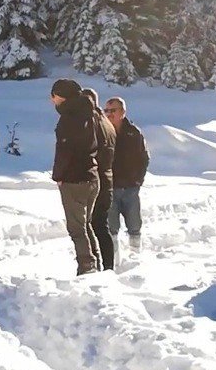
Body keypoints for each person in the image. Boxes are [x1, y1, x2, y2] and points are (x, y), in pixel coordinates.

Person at [50, 78, 100, 276]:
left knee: (77, 228)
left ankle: (87, 266)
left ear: (61, 97)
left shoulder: (69, 118)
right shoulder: (90, 113)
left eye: (53, 96)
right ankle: (96, 261)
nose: (52, 101)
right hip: (92, 174)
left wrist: (58, 176)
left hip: (74, 178)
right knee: (86, 224)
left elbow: (64, 150)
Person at [103, 96, 150, 256]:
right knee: (111, 228)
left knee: (134, 226)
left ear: (123, 112)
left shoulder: (133, 133)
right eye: (106, 111)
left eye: (113, 110)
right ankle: (114, 261)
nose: (109, 114)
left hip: (130, 187)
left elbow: (144, 158)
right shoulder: (102, 132)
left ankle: (135, 257)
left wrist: (138, 180)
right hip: (110, 188)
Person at [83, 88, 116, 271]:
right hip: (107, 178)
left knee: (95, 225)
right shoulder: (106, 123)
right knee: (100, 225)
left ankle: (99, 265)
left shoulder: (93, 122)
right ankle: (108, 265)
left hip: (97, 179)